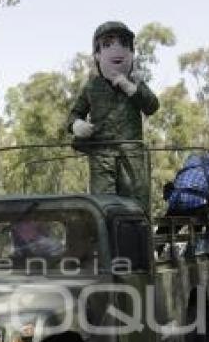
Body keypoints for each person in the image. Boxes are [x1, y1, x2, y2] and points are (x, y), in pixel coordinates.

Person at [66, 21, 159, 211]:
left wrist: (131, 88)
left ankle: (137, 240)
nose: (117, 49)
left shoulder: (136, 83)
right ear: (98, 54)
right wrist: (77, 125)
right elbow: (74, 114)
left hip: (132, 157)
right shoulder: (92, 86)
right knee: (103, 206)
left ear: (131, 53)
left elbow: (152, 106)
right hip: (101, 155)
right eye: (108, 45)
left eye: (124, 44)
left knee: (136, 206)